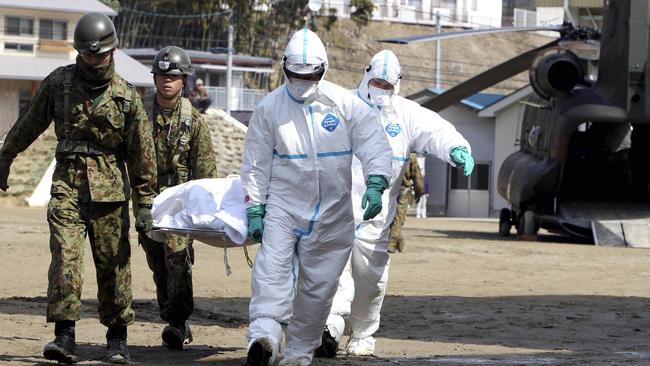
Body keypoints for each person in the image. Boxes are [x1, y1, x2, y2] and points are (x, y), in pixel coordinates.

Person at [0, 12, 157, 364]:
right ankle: (65, 336)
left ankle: (117, 338)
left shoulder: (127, 96)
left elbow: (141, 153)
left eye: (99, 55)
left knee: (113, 266)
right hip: (68, 186)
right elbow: (29, 124)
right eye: (87, 55)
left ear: (113, 52)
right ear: (78, 53)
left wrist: (145, 202)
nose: (94, 61)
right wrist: (6, 156)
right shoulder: (59, 84)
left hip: (111, 195)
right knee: (65, 257)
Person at [240, 28, 392, 366]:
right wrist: (255, 207)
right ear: (285, 69)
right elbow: (255, 163)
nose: (303, 82)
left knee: (318, 288)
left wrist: (376, 181)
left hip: (333, 213)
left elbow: (373, 142)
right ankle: (263, 335)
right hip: (283, 206)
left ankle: (297, 352)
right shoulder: (269, 110)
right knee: (271, 271)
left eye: (311, 75)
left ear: (324, 70)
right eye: (297, 75)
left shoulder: (347, 105)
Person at [317, 49, 474, 358]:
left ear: (398, 85)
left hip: (376, 220)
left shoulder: (406, 114)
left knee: (371, 281)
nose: (381, 89)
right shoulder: (340, 105)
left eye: (387, 85)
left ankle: (362, 336)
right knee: (333, 274)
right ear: (365, 74)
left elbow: (436, 131)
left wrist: (457, 148)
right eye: (376, 82)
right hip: (335, 211)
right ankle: (329, 330)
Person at [139, 46, 218, 350]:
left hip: (180, 202)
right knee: (157, 261)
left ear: (183, 80)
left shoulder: (195, 122)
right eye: (161, 75)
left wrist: (204, 212)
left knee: (178, 258)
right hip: (146, 198)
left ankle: (177, 322)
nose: (167, 81)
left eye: (173, 76)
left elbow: (206, 171)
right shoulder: (139, 114)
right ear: (155, 78)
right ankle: (172, 317)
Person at [387, 154, 424, 253]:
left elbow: (416, 175)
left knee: (396, 217)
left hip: (396, 190)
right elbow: (416, 174)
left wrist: (419, 191)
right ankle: (398, 242)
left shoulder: (389, 149)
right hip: (398, 190)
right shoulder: (411, 155)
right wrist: (419, 191)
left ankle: (392, 243)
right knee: (395, 218)